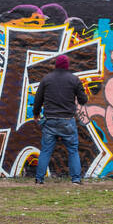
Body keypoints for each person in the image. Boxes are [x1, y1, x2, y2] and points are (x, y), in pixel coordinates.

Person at [32, 54, 89, 184]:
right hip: (67, 120)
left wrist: (36, 114)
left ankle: (39, 179)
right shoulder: (74, 80)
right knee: (73, 150)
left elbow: (38, 100)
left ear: (56, 65)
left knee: (46, 150)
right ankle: (76, 179)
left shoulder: (46, 79)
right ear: (67, 65)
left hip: (50, 120)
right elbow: (83, 101)